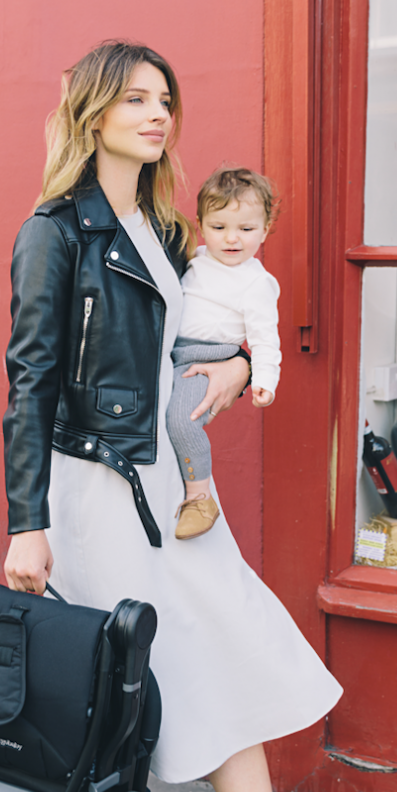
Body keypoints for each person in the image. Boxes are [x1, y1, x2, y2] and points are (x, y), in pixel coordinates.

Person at [3, 39, 375, 792]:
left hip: (165, 489)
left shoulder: (170, 233)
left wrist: (246, 361)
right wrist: (26, 525)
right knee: (140, 671)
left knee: (203, 659)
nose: (156, 113)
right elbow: (30, 381)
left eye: (164, 98)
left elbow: (201, 336)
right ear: (93, 113)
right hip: (95, 488)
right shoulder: (56, 230)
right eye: (134, 99)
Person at [168, 166, 281, 540]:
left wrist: (264, 379)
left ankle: (200, 498)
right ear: (200, 225)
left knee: (184, 421)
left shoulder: (256, 283)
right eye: (219, 228)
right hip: (173, 354)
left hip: (210, 360)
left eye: (246, 230)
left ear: (265, 229)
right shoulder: (195, 260)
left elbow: (265, 337)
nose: (232, 239)